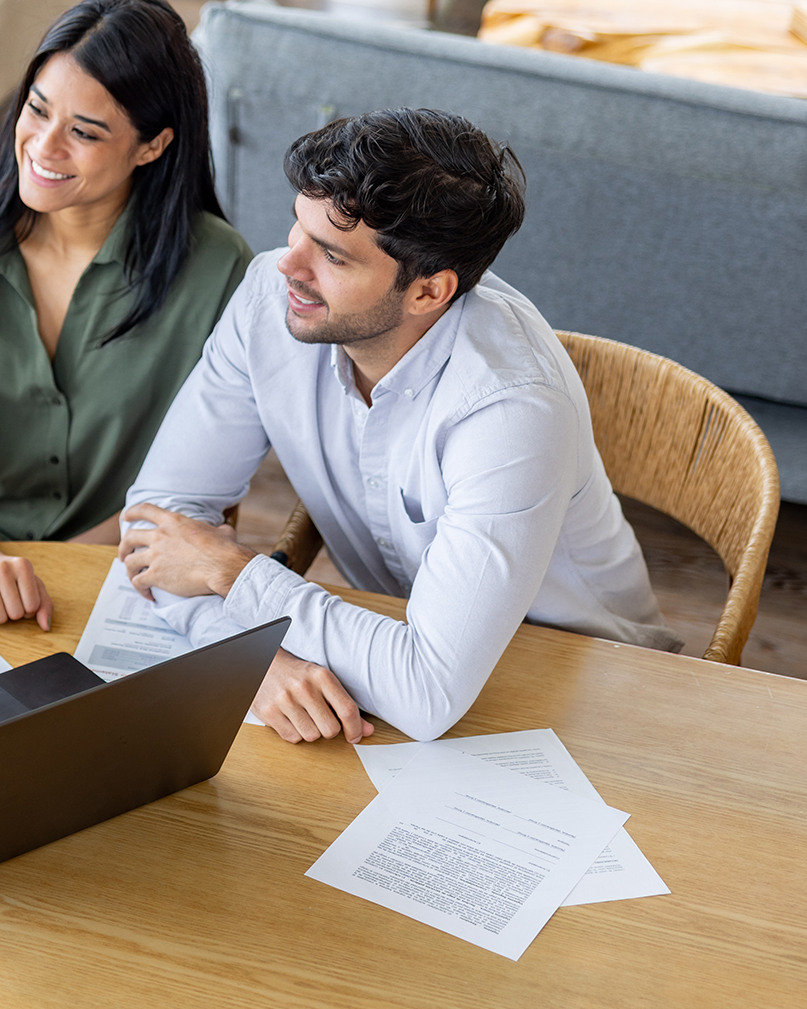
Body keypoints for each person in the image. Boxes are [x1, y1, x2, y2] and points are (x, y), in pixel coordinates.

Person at [118, 108, 681, 745]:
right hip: (381, 664)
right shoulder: (267, 302)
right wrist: (254, 660)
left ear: (428, 292)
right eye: (299, 228)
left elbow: (426, 693)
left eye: (330, 254)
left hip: (582, 693)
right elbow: (155, 527)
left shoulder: (510, 409)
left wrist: (233, 574)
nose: (288, 266)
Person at [0, 0, 254, 632]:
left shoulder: (219, 271)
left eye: (83, 132)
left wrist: (48, 571)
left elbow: (192, 495)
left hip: (130, 567)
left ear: (152, 146)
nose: (44, 147)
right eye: (37, 109)